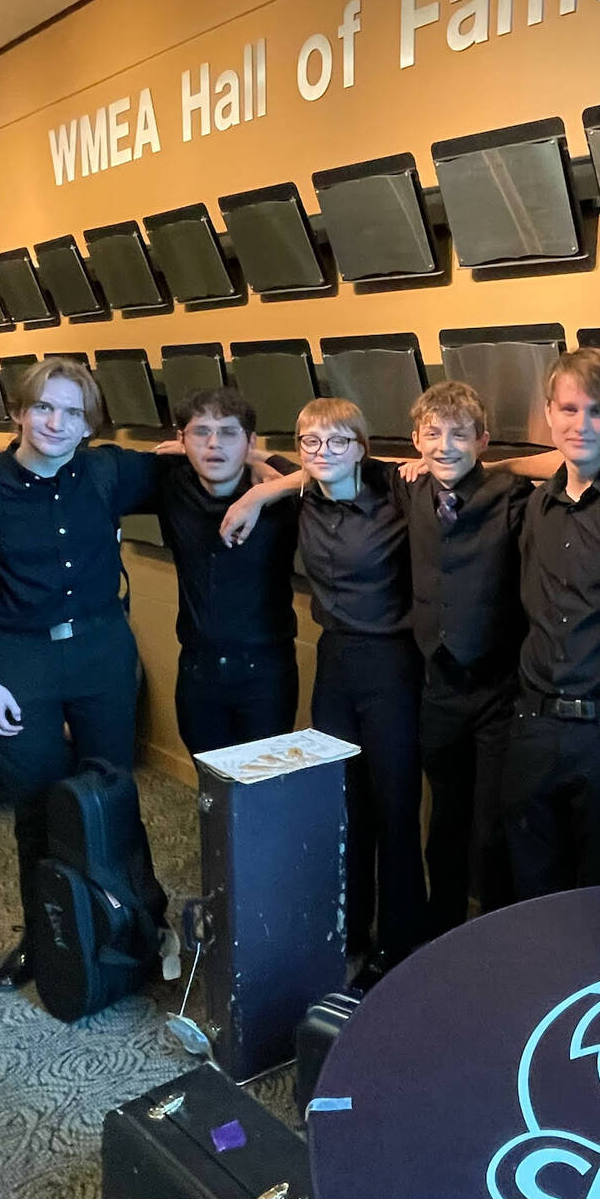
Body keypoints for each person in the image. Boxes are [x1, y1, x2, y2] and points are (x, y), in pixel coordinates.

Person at [0, 356, 166, 991]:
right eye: (43, 407)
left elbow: (193, 454)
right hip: (17, 657)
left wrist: (262, 482)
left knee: (114, 789)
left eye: (72, 412)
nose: (56, 423)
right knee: (33, 801)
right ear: (18, 413)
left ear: (89, 423)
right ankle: (48, 935)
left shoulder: (110, 470)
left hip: (101, 649)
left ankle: (134, 920)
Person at [237, 397, 425, 980]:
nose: (324, 453)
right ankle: (348, 931)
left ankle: (399, 944)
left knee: (395, 808)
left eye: (339, 441)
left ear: (362, 448)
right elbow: (271, 465)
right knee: (344, 806)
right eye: (312, 442)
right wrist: (255, 492)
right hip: (335, 661)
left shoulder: (397, 490)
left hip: (392, 663)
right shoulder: (302, 496)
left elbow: (463, 466)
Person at [499, 348, 600, 900]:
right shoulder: (534, 508)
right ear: (548, 414)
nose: (581, 424)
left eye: (597, 411)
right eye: (568, 409)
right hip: (534, 727)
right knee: (531, 891)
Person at [394, 381, 530, 934]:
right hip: (438, 685)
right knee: (445, 816)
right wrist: (259, 481)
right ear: (416, 441)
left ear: (483, 440)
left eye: (459, 434)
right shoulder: (410, 490)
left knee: (493, 822)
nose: (445, 446)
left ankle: (490, 929)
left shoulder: (511, 494)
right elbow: (329, 458)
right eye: (432, 434)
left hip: (498, 688)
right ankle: (441, 923)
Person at [150, 386, 301, 756]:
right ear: (181, 439)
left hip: (265, 673)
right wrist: (12, 453)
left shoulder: (277, 495)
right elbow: (86, 466)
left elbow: (339, 470)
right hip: (198, 672)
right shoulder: (169, 485)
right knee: (212, 785)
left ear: (249, 441)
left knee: (264, 784)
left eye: (229, 433)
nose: (213, 444)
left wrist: (260, 491)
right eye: (201, 432)